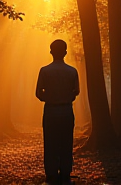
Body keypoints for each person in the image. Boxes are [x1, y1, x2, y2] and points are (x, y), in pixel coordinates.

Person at [36, 39, 80, 185]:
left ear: (51, 52)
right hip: (67, 111)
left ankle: (51, 177)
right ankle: (66, 176)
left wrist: (48, 97)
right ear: (65, 53)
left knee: (50, 144)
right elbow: (77, 91)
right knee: (66, 144)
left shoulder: (44, 71)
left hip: (50, 111)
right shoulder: (72, 71)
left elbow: (38, 92)